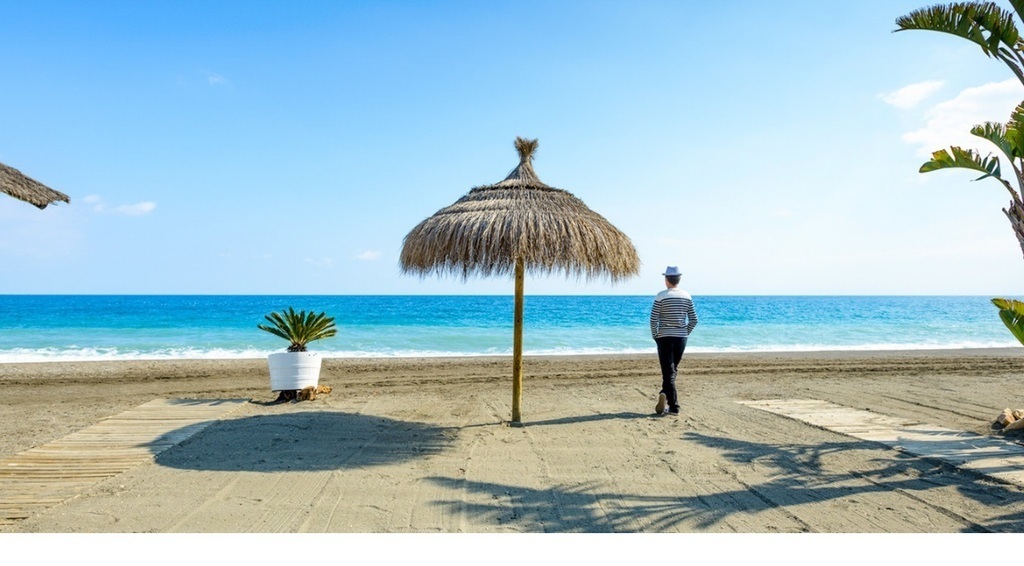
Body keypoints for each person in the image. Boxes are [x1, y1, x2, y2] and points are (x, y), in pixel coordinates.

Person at [649, 266, 698, 416]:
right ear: (679, 279)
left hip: (664, 337)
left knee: (668, 371)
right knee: (672, 369)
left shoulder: (661, 296)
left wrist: (655, 335)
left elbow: (653, 319)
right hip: (680, 338)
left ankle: (674, 406)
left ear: (666, 280)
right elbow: (694, 320)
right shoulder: (687, 296)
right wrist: (685, 333)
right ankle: (666, 394)